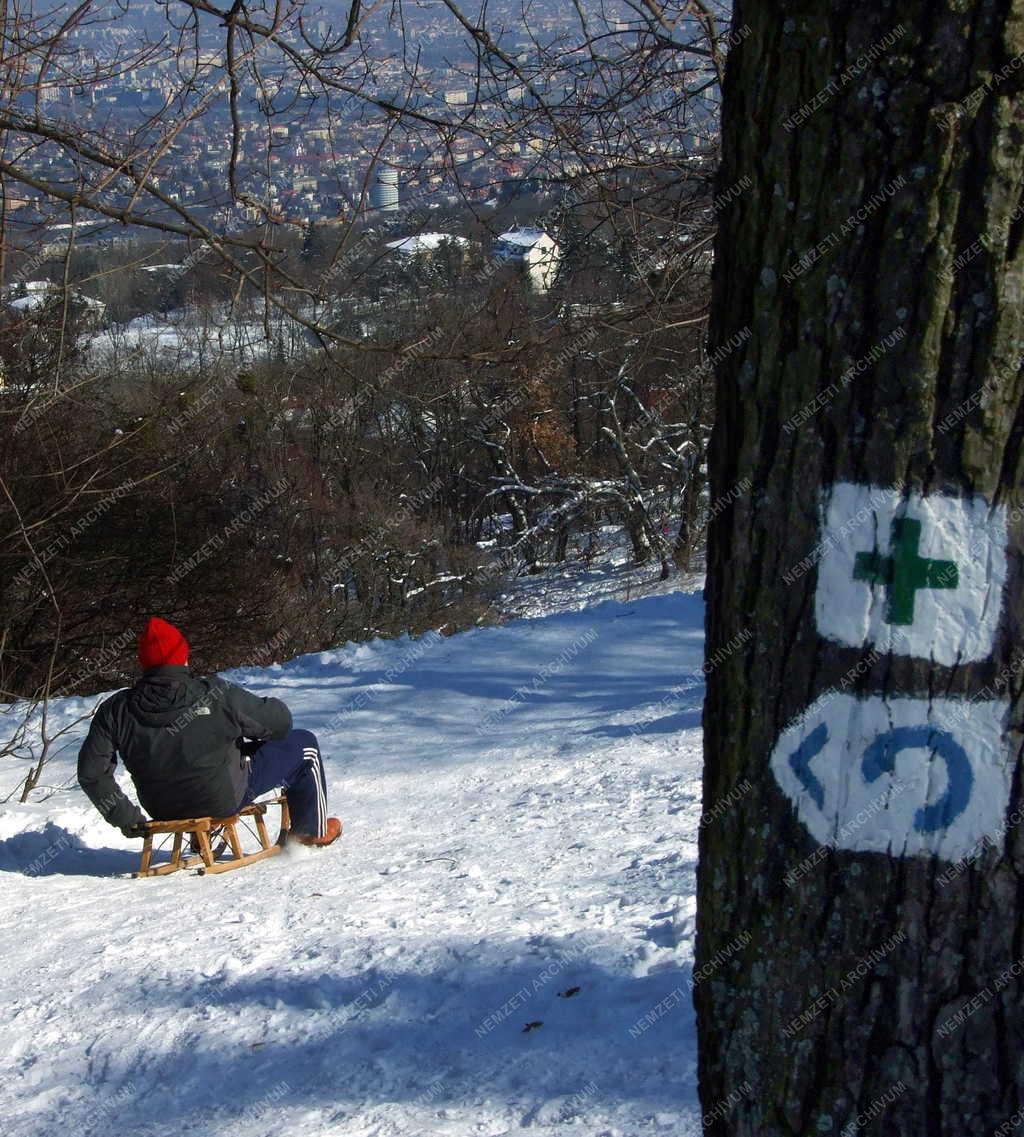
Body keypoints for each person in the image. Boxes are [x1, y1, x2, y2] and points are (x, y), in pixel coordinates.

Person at [77, 616, 341, 847]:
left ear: (144, 662)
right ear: (183, 657)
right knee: (305, 744)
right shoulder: (214, 694)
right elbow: (280, 725)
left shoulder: (116, 709)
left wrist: (127, 819)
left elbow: (92, 773)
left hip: (161, 807)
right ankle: (311, 832)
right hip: (221, 800)